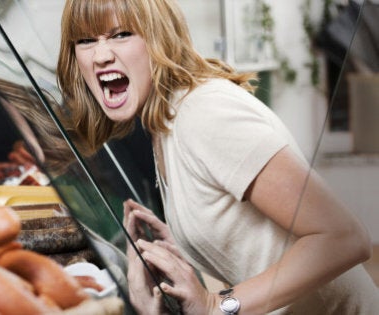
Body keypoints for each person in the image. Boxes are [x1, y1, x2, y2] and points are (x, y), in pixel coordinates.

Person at [56, 0, 379, 314]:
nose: (100, 56)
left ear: (159, 37)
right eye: (85, 41)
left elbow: (344, 237)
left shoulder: (205, 112)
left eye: (121, 34)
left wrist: (216, 306)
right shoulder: (164, 120)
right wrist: (184, 241)